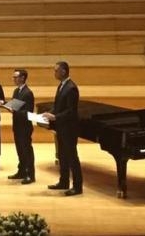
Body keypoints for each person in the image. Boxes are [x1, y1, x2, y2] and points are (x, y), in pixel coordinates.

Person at [42, 60, 83, 196]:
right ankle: (64, 181)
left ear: (64, 71)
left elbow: (71, 111)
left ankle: (77, 187)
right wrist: (50, 112)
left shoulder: (71, 88)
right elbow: (59, 105)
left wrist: (55, 117)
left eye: (56, 70)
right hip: (61, 128)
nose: (54, 73)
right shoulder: (62, 86)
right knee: (63, 156)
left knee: (72, 157)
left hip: (69, 129)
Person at [2, 68, 35, 184]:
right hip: (17, 125)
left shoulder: (28, 93)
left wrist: (13, 110)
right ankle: (21, 171)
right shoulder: (16, 91)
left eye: (15, 77)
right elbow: (14, 105)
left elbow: (28, 112)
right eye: (13, 77)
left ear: (22, 78)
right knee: (20, 150)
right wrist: (4, 104)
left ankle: (30, 174)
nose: (13, 79)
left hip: (25, 127)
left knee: (26, 150)